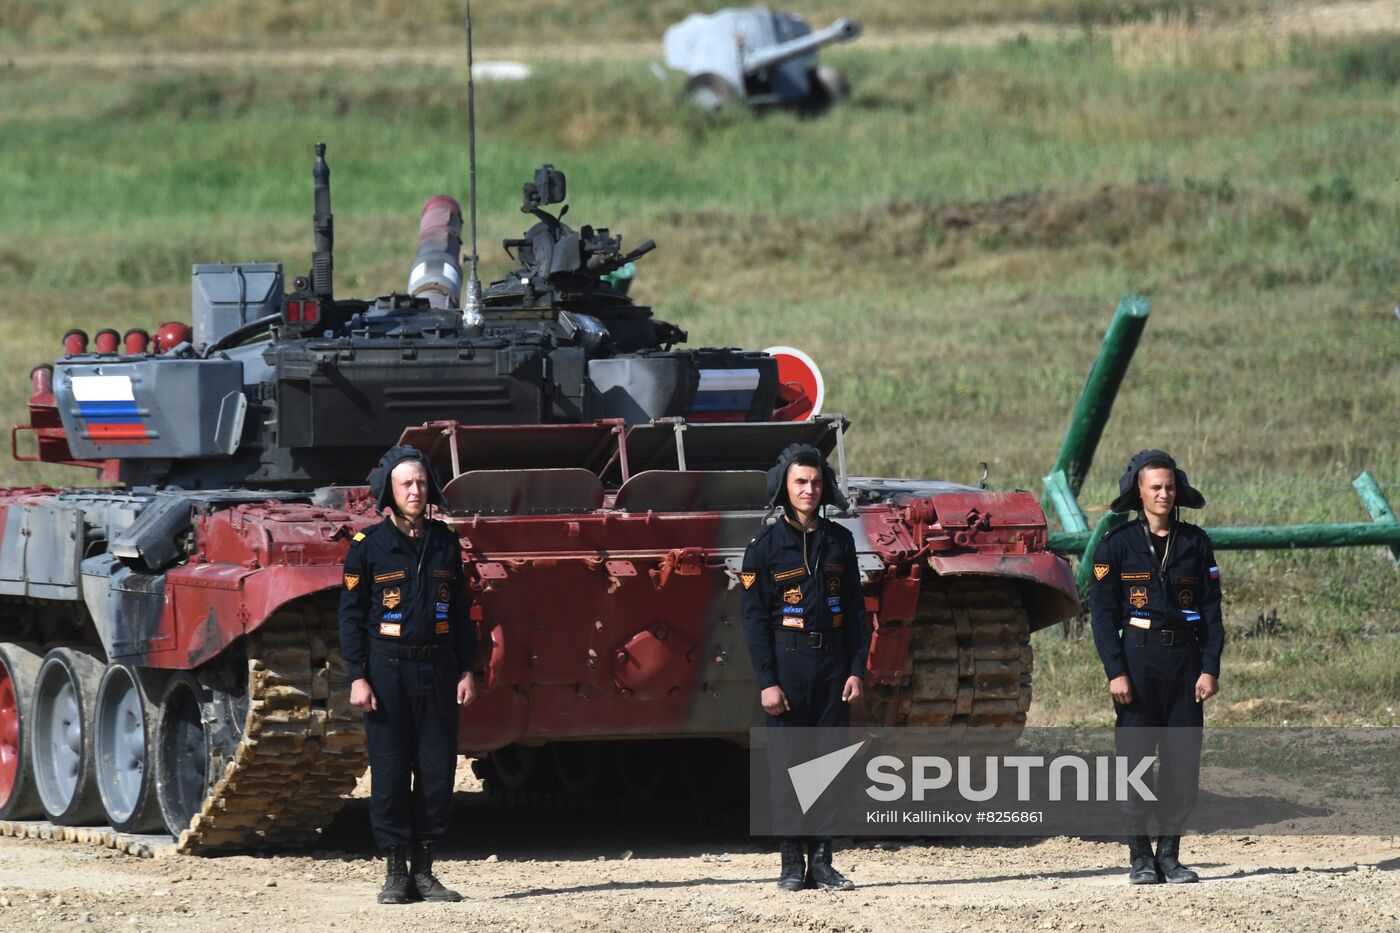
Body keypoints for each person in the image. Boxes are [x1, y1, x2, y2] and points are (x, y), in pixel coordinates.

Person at [339, 445, 478, 904]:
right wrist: (357, 675)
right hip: (387, 670)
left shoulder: (445, 542)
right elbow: (351, 615)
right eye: (406, 484)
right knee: (392, 771)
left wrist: (466, 668)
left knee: (437, 772)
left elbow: (461, 612)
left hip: (438, 668)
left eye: (420, 483)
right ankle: (395, 872)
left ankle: (426, 870)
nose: (415, 490)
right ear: (389, 491)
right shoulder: (369, 547)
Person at [1089, 449, 1224, 885]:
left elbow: (1212, 611)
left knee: (1182, 763)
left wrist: (1209, 668)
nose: (1164, 494)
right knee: (1135, 762)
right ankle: (1139, 857)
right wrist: (1116, 671)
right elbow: (1103, 616)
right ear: (1139, 493)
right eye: (1155, 488)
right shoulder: (1117, 545)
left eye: (1169, 487)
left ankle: (1170, 855)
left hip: (1185, 663)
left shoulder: (1195, 543)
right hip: (1138, 662)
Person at [741, 443, 870, 891]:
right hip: (788, 662)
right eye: (800, 482)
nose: (809, 489)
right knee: (788, 764)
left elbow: (855, 611)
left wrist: (857, 668)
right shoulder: (764, 547)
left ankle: (823, 859)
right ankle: (791, 862)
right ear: (785, 487)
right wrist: (767, 681)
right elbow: (754, 620)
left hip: (833, 664)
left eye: (815, 482)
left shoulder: (840, 541)